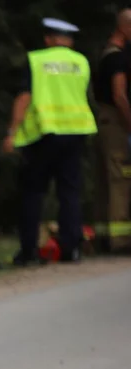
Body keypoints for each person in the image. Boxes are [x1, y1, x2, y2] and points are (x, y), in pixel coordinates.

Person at [3, 18, 98, 266]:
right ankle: (71, 249)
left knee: (33, 192)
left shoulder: (37, 60)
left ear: (48, 39)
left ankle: (29, 251)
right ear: (70, 40)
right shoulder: (81, 62)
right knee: (70, 192)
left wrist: (12, 132)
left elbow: (24, 98)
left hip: (44, 134)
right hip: (76, 132)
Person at [92, 9, 131, 254]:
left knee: (105, 181)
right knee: (121, 180)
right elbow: (119, 95)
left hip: (105, 122)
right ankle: (121, 240)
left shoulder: (106, 54)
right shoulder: (117, 58)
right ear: (124, 28)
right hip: (116, 124)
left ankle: (104, 237)